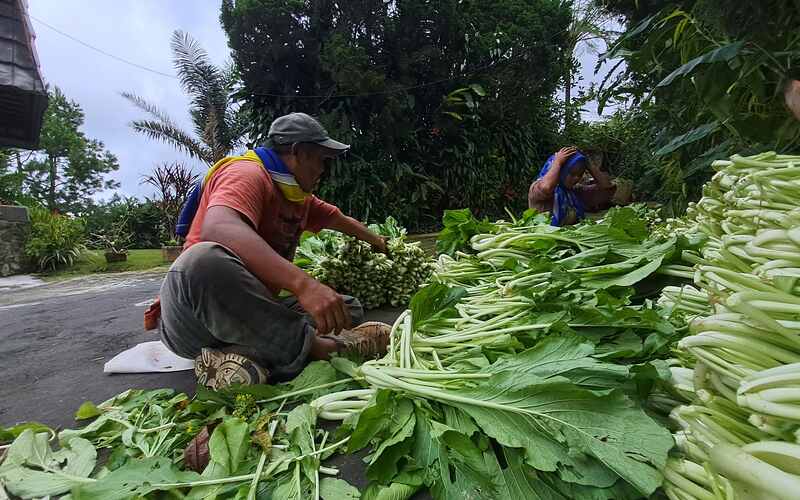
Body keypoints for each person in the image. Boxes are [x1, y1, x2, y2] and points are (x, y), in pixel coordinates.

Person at [151, 112, 392, 390]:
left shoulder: (296, 196)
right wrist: (304, 285)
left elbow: (339, 220)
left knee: (344, 308)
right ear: (298, 153)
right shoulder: (247, 174)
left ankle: (240, 359)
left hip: (247, 315)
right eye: (321, 160)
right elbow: (218, 228)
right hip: (194, 317)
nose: (323, 170)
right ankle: (322, 349)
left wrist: (380, 243)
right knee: (203, 260)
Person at [528, 146, 617, 226]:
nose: (576, 178)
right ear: (561, 171)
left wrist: (589, 165)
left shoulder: (574, 191)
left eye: (579, 174)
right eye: (572, 173)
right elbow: (546, 188)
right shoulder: (536, 188)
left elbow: (607, 187)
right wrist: (557, 162)